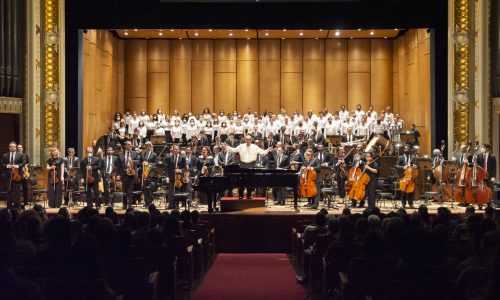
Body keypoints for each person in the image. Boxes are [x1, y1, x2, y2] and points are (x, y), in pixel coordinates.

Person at [117, 141, 140, 209]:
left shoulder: (134, 153)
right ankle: (124, 204)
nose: (130, 146)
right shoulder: (120, 154)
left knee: (130, 190)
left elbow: (138, 161)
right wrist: (118, 174)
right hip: (123, 173)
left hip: (131, 173)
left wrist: (132, 161)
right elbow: (118, 165)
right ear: (125, 146)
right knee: (124, 190)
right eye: (129, 144)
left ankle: (130, 204)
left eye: (131, 144)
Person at [2, 142, 25, 208]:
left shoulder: (20, 155)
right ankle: (9, 206)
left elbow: (23, 163)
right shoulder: (5, 155)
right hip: (8, 175)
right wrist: (7, 166)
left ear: (16, 147)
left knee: (17, 191)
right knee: (8, 191)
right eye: (11, 146)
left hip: (17, 175)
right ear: (9, 147)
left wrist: (17, 166)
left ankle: (17, 206)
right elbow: (2, 163)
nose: (12, 147)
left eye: (14, 146)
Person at [165, 144, 187, 209]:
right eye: (174, 149)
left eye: (177, 149)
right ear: (172, 150)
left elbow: (185, 168)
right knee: (171, 191)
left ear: (179, 150)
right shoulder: (169, 158)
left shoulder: (182, 158)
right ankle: (171, 204)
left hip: (179, 178)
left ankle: (177, 205)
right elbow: (167, 168)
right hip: (171, 177)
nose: (175, 150)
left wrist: (179, 170)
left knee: (177, 191)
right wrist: (167, 177)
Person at [197, 147, 215, 212]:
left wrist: (207, 167)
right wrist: (201, 170)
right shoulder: (199, 158)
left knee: (209, 192)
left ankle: (210, 207)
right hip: (202, 177)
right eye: (202, 150)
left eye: (204, 150)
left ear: (207, 151)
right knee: (203, 191)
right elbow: (197, 167)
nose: (203, 151)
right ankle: (202, 202)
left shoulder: (211, 158)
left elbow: (213, 166)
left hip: (209, 177)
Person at [140, 142, 157, 207]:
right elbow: (139, 162)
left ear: (151, 147)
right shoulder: (142, 154)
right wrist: (142, 163)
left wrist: (148, 164)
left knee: (151, 188)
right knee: (144, 188)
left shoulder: (154, 154)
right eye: (146, 146)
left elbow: (156, 164)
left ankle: (150, 202)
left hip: (151, 174)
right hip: (144, 173)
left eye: (149, 146)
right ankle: (146, 201)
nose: (147, 147)